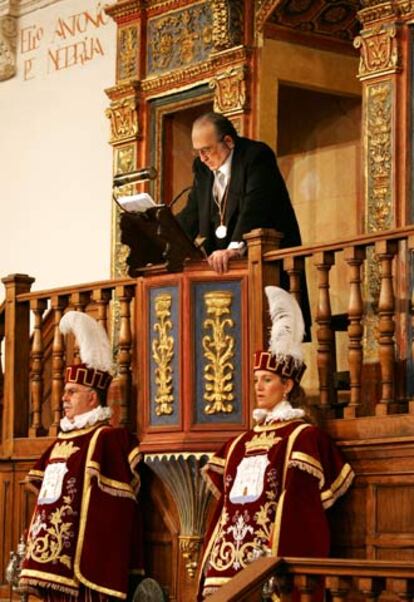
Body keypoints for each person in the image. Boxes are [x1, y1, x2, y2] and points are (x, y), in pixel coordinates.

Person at [197, 286, 354, 600]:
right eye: (256, 380)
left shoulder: (302, 437)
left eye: (267, 380)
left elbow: (302, 513)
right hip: (224, 566)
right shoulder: (239, 443)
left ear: (288, 385)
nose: (258, 386)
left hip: (267, 568)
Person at [19, 312, 144, 602]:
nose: (63, 399)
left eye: (72, 392)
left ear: (92, 397)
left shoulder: (108, 439)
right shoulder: (62, 439)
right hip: (51, 549)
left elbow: (114, 510)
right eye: (64, 392)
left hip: (84, 561)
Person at [175, 112, 303, 275]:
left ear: (228, 141)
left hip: (267, 263)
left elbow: (255, 208)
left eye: (207, 150)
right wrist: (163, 238)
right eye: (198, 152)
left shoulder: (255, 156)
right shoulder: (202, 168)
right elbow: (191, 214)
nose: (202, 158)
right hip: (220, 268)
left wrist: (235, 248)